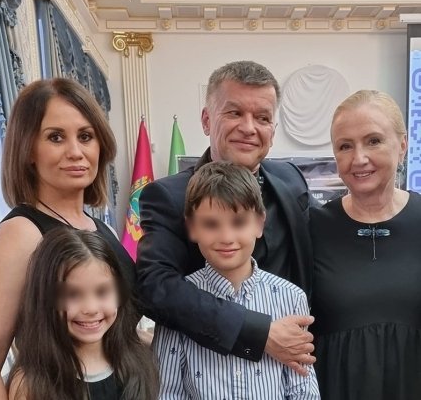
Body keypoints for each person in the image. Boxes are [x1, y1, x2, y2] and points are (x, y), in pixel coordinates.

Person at [137, 60, 316, 373]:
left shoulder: (291, 180)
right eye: (234, 113)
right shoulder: (168, 196)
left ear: (273, 130)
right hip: (206, 369)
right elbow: (156, 287)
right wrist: (258, 333)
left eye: (262, 118)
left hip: (291, 367)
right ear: (207, 120)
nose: (249, 127)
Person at [0, 78, 137, 399]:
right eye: (56, 137)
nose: (75, 152)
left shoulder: (101, 230)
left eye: (85, 136)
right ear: (28, 149)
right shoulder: (21, 232)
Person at [153, 161, 320, 399]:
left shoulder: (291, 298)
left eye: (238, 222)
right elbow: (168, 391)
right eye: (211, 224)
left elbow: (303, 390)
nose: (227, 237)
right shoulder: (179, 303)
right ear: (192, 227)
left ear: (259, 223)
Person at [310, 90, 421, 400]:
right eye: (345, 146)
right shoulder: (311, 227)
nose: (359, 158)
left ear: (402, 145)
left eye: (373, 141)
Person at [7, 227, 159, 400]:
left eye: (102, 292)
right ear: (45, 299)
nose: (91, 308)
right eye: (72, 294)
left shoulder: (141, 364)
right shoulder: (30, 384)